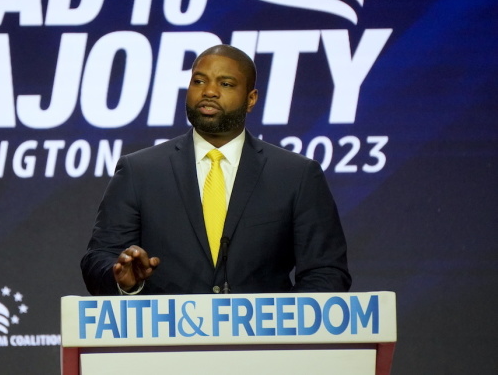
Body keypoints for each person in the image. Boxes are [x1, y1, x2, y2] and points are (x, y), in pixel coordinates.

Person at [81, 44, 350, 295]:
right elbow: (99, 259)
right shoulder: (139, 171)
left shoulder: (296, 175)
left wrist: (288, 330)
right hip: (164, 341)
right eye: (199, 81)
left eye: (225, 83)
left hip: (263, 342)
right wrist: (122, 280)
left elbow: (325, 271)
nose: (209, 91)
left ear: (251, 98)